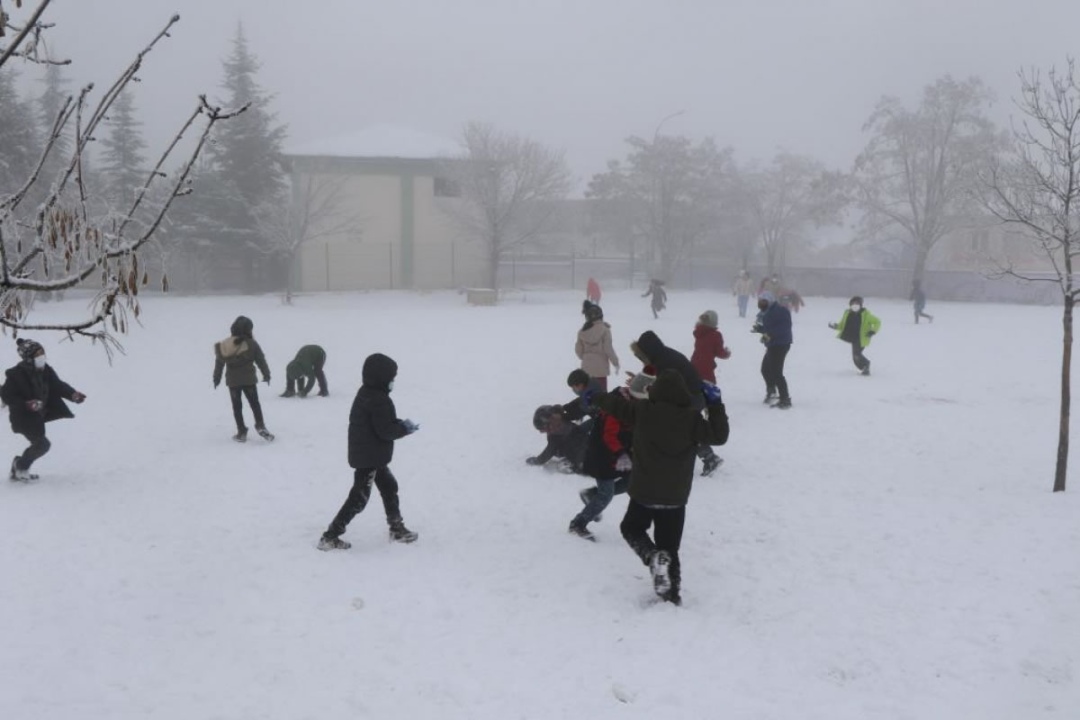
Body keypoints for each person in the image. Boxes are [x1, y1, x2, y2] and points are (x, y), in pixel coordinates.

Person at [593, 369, 730, 605]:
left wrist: (595, 397)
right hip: (675, 497)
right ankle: (671, 595)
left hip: (644, 492)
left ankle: (652, 555)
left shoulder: (643, 411)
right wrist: (715, 404)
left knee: (631, 528)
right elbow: (719, 435)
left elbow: (617, 407)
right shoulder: (692, 418)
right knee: (670, 548)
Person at [318, 353, 419, 550]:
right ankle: (330, 536)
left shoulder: (367, 393)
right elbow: (385, 431)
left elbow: (381, 424)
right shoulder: (378, 400)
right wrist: (404, 429)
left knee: (389, 486)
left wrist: (398, 424)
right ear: (382, 378)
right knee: (359, 498)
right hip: (369, 457)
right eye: (391, 378)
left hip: (370, 454)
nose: (393, 381)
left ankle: (396, 527)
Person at [628, 330, 722, 476]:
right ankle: (708, 458)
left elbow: (663, 386)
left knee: (683, 428)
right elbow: (657, 383)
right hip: (693, 395)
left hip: (692, 396)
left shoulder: (663, 362)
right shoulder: (663, 356)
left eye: (641, 355)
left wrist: (642, 388)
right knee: (684, 428)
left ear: (648, 350)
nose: (640, 359)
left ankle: (708, 458)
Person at [0, 338, 86, 481]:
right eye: (37, 355)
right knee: (42, 445)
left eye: (42, 353)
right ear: (28, 359)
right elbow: (7, 395)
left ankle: (19, 467)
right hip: (23, 417)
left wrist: (72, 394)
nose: (42, 357)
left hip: (38, 415)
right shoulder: (16, 375)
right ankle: (20, 467)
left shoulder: (45, 370)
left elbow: (57, 385)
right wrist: (27, 404)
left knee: (40, 444)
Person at [567, 380, 637, 541]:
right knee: (606, 494)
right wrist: (621, 453)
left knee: (631, 482)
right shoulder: (618, 407)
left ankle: (591, 494)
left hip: (618, 453)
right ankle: (578, 523)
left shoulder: (633, 403)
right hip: (602, 455)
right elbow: (609, 435)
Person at [213, 315, 274, 442]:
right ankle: (260, 425)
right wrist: (266, 374)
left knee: (237, 406)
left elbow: (219, 362)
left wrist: (216, 378)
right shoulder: (252, 344)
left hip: (233, 382)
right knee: (255, 404)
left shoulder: (226, 344)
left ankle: (241, 431)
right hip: (249, 380)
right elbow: (261, 360)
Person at [752, 291, 793, 408]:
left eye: (763, 301)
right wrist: (760, 329)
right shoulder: (768, 311)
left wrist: (769, 334)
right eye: (760, 301)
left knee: (776, 372)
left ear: (770, 301)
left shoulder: (781, 311)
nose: (761, 303)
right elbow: (771, 327)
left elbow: (784, 327)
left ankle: (785, 399)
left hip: (781, 344)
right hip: (773, 344)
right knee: (765, 369)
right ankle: (772, 392)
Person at [527, 403, 589, 474]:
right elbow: (550, 450)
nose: (547, 431)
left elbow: (549, 451)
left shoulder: (558, 432)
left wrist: (538, 460)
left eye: (546, 428)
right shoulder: (559, 430)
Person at [828, 296, 882, 376]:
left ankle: (866, 365)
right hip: (853, 337)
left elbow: (877, 322)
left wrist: (873, 331)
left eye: (857, 303)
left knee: (857, 354)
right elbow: (842, 325)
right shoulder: (847, 313)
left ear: (860, 305)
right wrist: (835, 326)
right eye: (853, 303)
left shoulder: (866, 315)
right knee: (855, 357)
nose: (855, 305)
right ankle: (864, 368)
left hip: (862, 338)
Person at [576, 302, 619, 392]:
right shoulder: (605, 330)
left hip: (586, 369)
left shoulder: (582, 332)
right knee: (601, 395)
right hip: (601, 369)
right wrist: (615, 363)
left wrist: (586, 357)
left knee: (588, 395)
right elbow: (608, 349)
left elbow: (578, 351)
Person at [691, 310, 731, 385]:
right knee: (709, 389)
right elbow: (719, 352)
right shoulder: (716, 335)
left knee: (694, 385)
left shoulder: (699, 332)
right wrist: (727, 353)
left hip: (694, 364)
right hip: (706, 367)